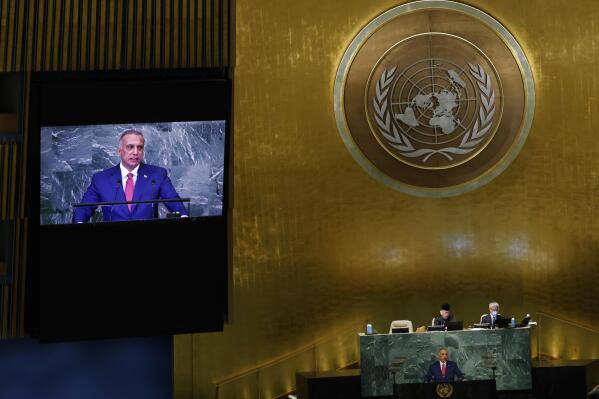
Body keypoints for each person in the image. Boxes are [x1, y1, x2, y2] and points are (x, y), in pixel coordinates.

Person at [72, 129, 188, 223]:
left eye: (140, 147)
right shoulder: (101, 179)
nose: (135, 152)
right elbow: (83, 209)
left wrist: (183, 216)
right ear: (119, 151)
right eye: (130, 147)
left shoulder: (158, 175)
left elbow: (174, 202)